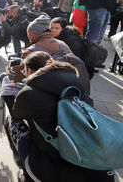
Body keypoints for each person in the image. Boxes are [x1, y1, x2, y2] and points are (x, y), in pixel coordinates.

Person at [8, 52, 113, 182]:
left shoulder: (28, 93)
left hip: (49, 170)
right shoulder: (78, 87)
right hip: (95, 167)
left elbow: (17, 114)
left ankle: (26, 172)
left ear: (29, 71)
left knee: (12, 121)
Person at [23, 15, 90, 94]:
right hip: (75, 91)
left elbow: (22, 77)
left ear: (32, 33)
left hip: (50, 95)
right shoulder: (62, 44)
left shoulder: (30, 51)